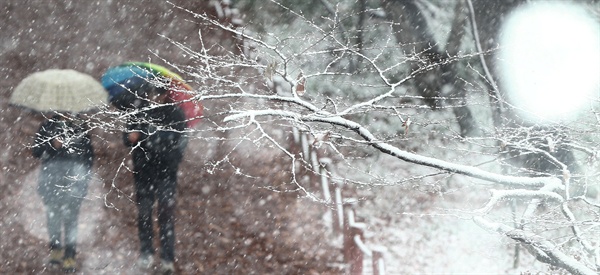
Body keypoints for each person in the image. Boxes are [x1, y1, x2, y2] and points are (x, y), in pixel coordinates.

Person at [119, 79, 187, 275]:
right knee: (144, 214)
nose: (155, 96)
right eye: (152, 92)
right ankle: (146, 253)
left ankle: (167, 258)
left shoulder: (175, 113)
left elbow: (180, 144)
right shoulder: (139, 111)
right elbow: (126, 137)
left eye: (159, 92)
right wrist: (131, 137)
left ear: (166, 93)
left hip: (167, 173)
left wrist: (157, 144)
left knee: (166, 215)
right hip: (143, 172)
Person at [32, 113, 94, 273]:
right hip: (51, 182)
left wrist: (83, 180)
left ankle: (70, 255)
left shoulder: (80, 127)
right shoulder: (48, 126)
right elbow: (36, 151)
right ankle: (56, 249)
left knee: (71, 220)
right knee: (53, 219)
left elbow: (89, 156)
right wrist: (52, 145)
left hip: (73, 183)